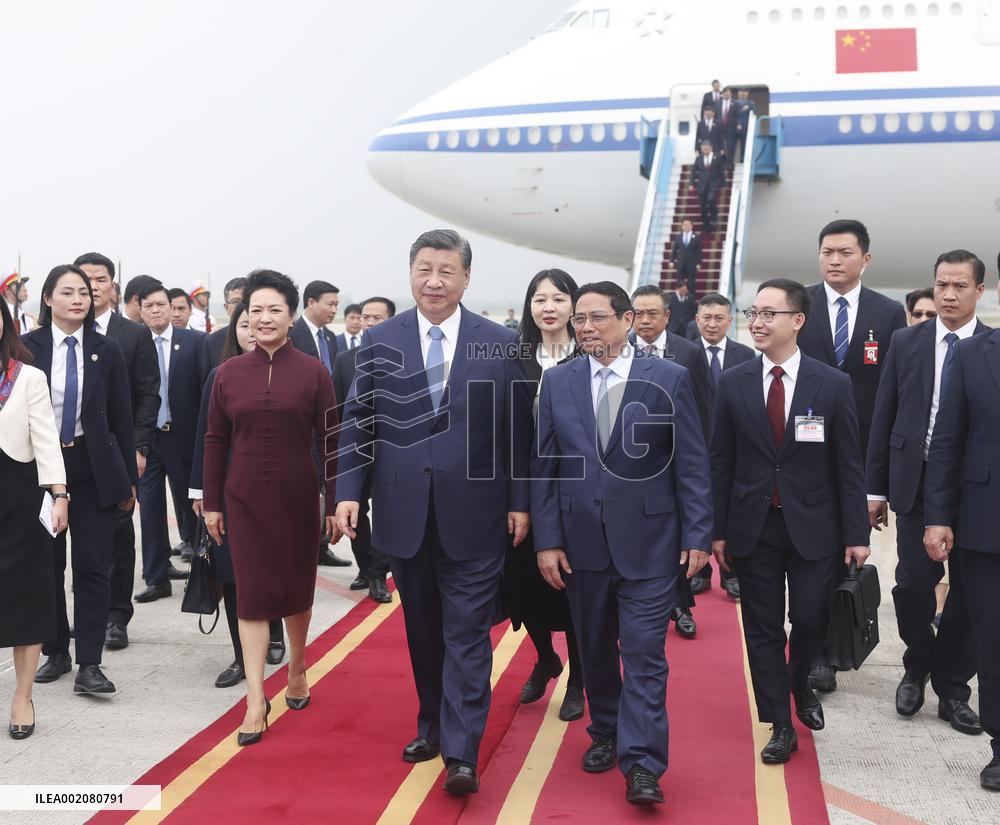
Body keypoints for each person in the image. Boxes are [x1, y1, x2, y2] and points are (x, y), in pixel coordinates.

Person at [335, 230, 532, 796]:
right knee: (424, 632)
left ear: (467, 278)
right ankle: (432, 725)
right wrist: (349, 490)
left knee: (468, 634)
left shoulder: (499, 342)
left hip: (478, 514)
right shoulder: (379, 340)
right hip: (403, 514)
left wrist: (520, 500)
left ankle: (462, 751)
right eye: (424, 269)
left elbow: (519, 433)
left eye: (447, 270)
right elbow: (357, 423)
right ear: (410, 273)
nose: (434, 281)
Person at [532, 281, 713, 805]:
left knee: (644, 654)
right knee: (593, 650)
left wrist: (698, 531)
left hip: (653, 543)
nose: (587, 328)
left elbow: (693, 461)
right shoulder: (559, 381)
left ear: (628, 319)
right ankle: (605, 731)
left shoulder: (670, 378)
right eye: (580, 319)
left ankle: (643, 764)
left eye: (598, 318)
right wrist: (547, 540)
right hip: (580, 543)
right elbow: (544, 468)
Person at [711, 279, 869, 764]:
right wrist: (715, 530)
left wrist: (857, 535)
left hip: (815, 527)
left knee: (808, 619)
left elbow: (848, 465)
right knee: (762, 627)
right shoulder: (733, 381)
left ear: (797, 321)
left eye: (768, 314)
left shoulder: (832, 384)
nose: (756, 322)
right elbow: (721, 460)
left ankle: (800, 686)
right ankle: (780, 721)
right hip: (753, 526)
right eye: (753, 313)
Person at [204, 269, 338, 746]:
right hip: (242, 499)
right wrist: (212, 502)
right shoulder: (227, 374)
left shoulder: (314, 372)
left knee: (296, 589)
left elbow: (331, 441)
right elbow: (215, 440)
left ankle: (298, 667)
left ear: (291, 316)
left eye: (273, 310)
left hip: (298, 497)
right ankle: (256, 697)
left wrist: (335, 502)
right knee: (253, 593)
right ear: (243, 316)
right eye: (254, 310)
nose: (263, 318)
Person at [868, 250, 988, 733]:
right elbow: (884, 415)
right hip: (914, 482)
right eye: (941, 285)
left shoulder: (991, 345)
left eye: (960, 286)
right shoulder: (907, 340)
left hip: (976, 489)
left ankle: (954, 686)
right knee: (913, 583)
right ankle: (917, 666)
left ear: (980, 291)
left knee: (972, 593)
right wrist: (874, 487)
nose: (949, 294)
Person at [798, 218, 905, 693]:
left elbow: (892, 395)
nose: (834, 260)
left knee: (849, 550)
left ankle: (836, 645)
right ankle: (816, 651)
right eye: (827, 252)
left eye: (844, 252)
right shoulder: (798, 304)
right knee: (810, 554)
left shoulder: (887, 314)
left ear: (865, 258)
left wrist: (878, 479)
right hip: (803, 451)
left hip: (860, 454)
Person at [25, 265, 137, 695]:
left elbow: (121, 418)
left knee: (92, 565)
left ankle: (90, 662)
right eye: (67, 292)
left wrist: (126, 476)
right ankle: (57, 650)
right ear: (48, 298)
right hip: (39, 473)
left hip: (93, 470)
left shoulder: (105, 350)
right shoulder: (27, 347)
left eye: (85, 293)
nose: (78, 299)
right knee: (48, 565)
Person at [923, 254, 1000, 792]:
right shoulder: (974, 355)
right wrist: (938, 518)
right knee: (994, 640)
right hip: (985, 524)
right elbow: (947, 441)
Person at [189, 302, 286, 687]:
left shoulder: (294, 373)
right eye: (244, 324)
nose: (252, 330)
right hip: (231, 490)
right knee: (231, 574)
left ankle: (274, 633)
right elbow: (206, 437)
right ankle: (241, 656)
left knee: (272, 568)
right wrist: (201, 491)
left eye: (259, 321)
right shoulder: (221, 375)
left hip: (278, 492)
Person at [508, 269, 585, 720]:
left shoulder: (587, 357)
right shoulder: (513, 358)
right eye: (540, 299)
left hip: (571, 487)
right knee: (522, 585)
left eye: (559, 298)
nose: (549, 307)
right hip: (520, 489)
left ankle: (578, 678)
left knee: (571, 586)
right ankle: (544, 656)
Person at [75, 252, 160, 651]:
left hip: (115, 451)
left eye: (101, 278)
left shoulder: (133, 334)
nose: (93, 285)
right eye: (85, 278)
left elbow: (148, 396)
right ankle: (80, 617)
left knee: (117, 535)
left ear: (114, 285)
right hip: (68, 453)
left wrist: (139, 448)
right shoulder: (58, 333)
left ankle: (116, 616)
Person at [0, 298, 69, 739]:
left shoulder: (26, 377)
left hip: (19, 498)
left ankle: (23, 695)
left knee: (27, 598)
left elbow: (46, 441)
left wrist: (59, 494)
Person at [134, 282, 204, 603]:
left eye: (163, 305)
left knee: (191, 506)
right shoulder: (134, 343)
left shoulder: (194, 342)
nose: (158, 311)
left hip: (183, 437)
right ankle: (156, 576)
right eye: (149, 306)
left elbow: (204, 391)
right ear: (141, 309)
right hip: (148, 440)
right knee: (149, 510)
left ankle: (204, 568)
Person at [688, 292, 755, 599]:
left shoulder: (745, 355)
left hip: (733, 447)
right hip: (694, 443)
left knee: (730, 507)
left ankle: (732, 573)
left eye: (719, 318)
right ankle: (699, 572)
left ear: (730, 321)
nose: (712, 324)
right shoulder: (685, 353)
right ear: (696, 320)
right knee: (696, 506)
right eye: (706, 318)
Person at [331, 296, 396, 603]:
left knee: (385, 512)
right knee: (355, 511)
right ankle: (366, 566)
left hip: (391, 451)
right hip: (357, 450)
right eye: (365, 317)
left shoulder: (402, 358)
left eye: (377, 318)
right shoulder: (345, 359)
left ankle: (379, 575)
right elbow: (337, 409)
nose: (369, 323)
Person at [289, 280, 351, 568]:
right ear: (311, 303)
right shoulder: (293, 334)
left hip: (325, 426)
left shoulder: (330, 338)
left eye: (337, 304)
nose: (334, 309)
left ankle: (322, 546)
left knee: (327, 489)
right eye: (330, 303)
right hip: (301, 430)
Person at [198, 277, 247, 381]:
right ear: (226, 307)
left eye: (246, 301)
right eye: (236, 302)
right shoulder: (211, 342)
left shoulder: (265, 334)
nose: (242, 307)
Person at [689, 140, 724, 234]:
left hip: (713, 185)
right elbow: (694, 172)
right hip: (702, 186)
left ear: (711, 148)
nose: (705, 149)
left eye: (707, 147)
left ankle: (714, 219)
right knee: (702, 208)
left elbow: (721, 172)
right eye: (703, 148)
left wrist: (722, 184)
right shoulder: (699, 159)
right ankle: (706, 226)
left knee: (711, 199)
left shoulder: (717, 157)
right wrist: (691, 183)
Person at [670, 219, 702, 297]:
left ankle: (691, 297)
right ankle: (680, 296)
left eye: (688, 225)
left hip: (692, 262)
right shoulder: (679, 236)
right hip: (681, 262)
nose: (686, 226)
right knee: (680, 280)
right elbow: (674, 249)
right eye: (684, 225)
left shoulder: (696, 237)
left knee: (691, 281)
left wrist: (699, 263)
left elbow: (699, 251)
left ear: (691, 226)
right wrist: (671, 260)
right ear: (682, 226)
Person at [718, 87, 738, 171]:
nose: (727, 94)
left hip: (731, 129)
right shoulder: (718, 103)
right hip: (720, 128)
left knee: (730, 147)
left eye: (728, 92)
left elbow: (737, 116)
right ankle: (721, 163)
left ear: (731, 94)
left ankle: (729, 164)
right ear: (722, 94)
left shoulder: (735, 104)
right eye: (725, 92)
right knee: (720, 146)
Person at [735, 89, 756, 159]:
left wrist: (749, 107)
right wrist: (737, 124)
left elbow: (754, 113)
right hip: (735, 127)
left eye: (744, 92)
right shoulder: (734, 102)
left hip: (746, 127)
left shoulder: (751, 103)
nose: (743, 94)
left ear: (747, 93)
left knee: (744, 144)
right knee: (732, 145)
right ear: (738, 93)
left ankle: (743, 158)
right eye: (741, 92)